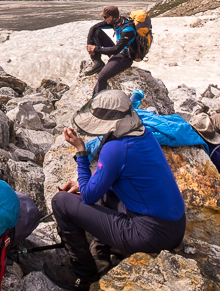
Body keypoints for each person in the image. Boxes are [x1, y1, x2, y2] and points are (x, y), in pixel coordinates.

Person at [52, 90, 186, 291]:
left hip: (149, 234)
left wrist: (81, 151)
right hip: (175, 226)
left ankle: (84, 274)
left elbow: (88, 196)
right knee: (105, 193)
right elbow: (117, 176)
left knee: (61, 202)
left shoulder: (115, 149)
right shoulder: (144, 134)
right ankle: (102, 252)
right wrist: (85, 182)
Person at [83, 6, 136, 96]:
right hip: (118, 52)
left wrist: (95, 49)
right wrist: (90, 48)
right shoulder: (116, 22)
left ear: (110, 17)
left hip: (125, 57)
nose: (104, 19)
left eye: (105, 17)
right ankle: (98, 62)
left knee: (102, 77)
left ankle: (97, 100)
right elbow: (93, 28)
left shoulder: (128, 29)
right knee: (97, 32)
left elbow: (116, 50)